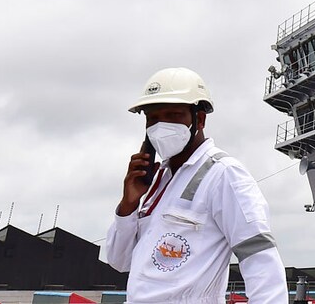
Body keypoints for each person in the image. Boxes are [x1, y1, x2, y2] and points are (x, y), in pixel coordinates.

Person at [106, 68, 288, 303]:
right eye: (152, 118)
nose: (160, 126)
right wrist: (129, 204)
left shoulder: (224, 174)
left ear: (199, 119)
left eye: (172, 115)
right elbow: (119, 261)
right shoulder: (158, 180)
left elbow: (261, 261)